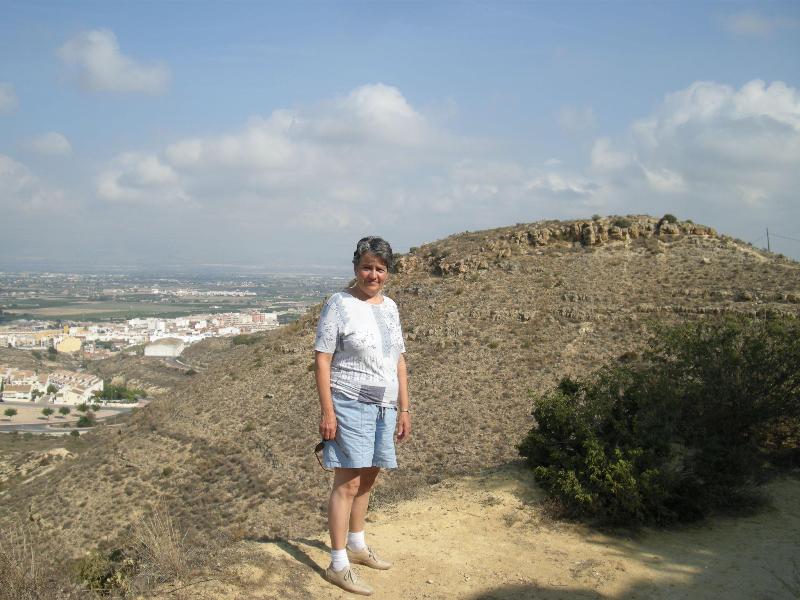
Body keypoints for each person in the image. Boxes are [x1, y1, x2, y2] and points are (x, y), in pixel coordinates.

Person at [314, 236, 411, 596]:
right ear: (356, 268)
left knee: (369, 477)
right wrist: (328, 411)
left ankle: (357, 545)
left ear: (388, 272)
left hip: (385, 405)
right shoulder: (339, 305)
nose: (373, 275)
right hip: (349, 402)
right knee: (348, 483)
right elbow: (322, 360)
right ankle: (338, 564)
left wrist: (404, 408)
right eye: (367, 267)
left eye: (380, 269)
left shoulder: (391, 307)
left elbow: (399, 359)